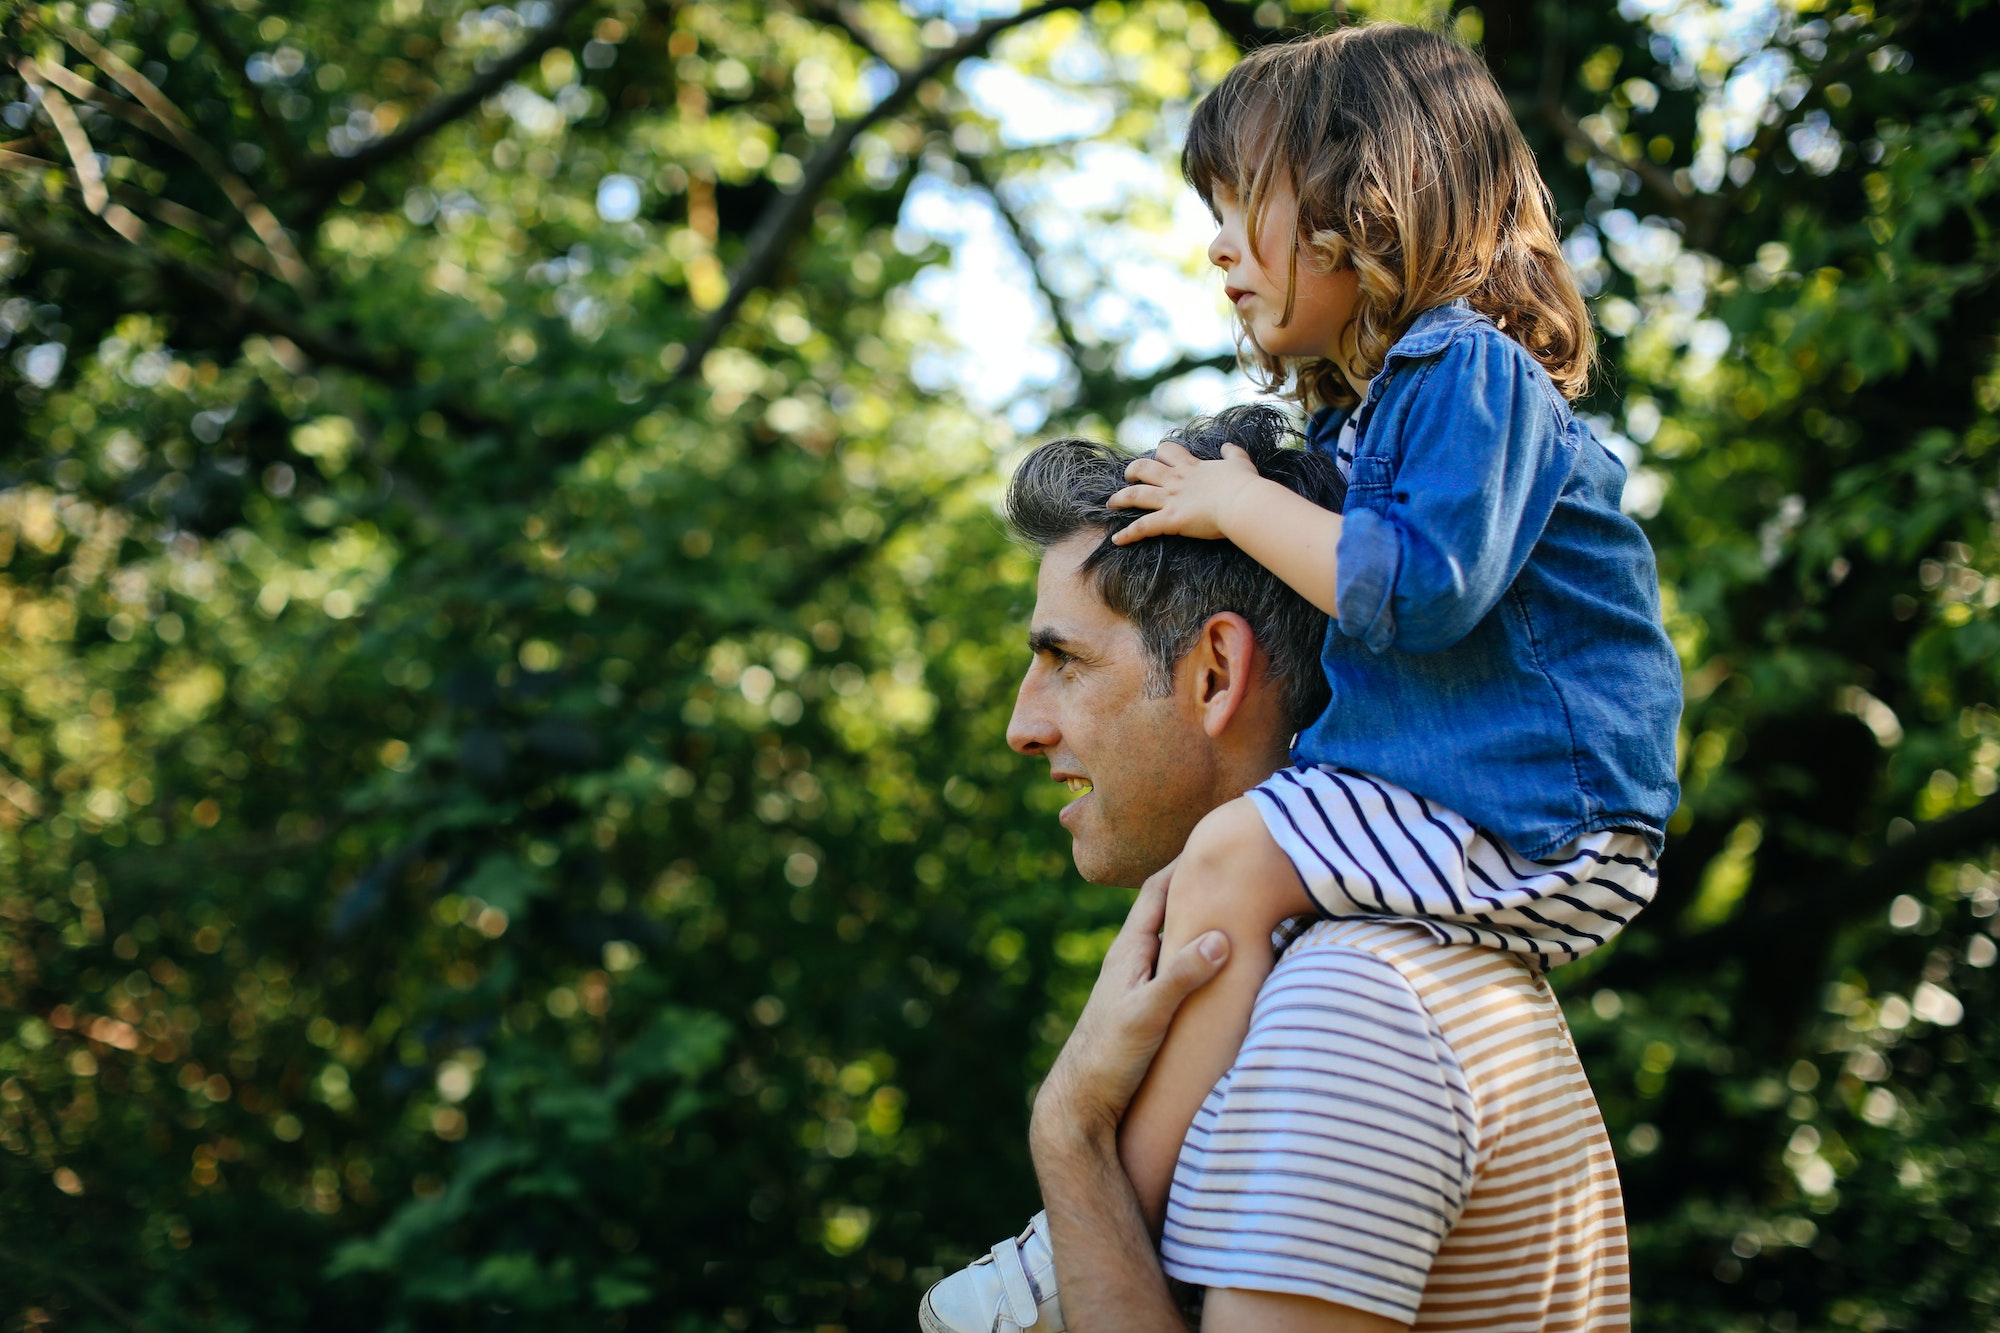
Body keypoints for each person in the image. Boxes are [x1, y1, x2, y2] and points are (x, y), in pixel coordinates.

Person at [927, 21, 1680, 1330]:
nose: (1218, 246)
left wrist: (1075, 1152)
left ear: (1361, 198)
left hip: (1537, 807)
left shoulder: (1356, 1017)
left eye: (1241, 206)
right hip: (1506, 806)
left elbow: (1416, 585)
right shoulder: (1392, 398)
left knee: (1216, 866)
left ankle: (1077, 1245)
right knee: (1213, 875)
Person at [921, 411, 1631, 1331]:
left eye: (1063, 658)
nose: (1022, 727)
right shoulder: (1368, 969)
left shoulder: (1350, 1007)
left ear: (1216, 672)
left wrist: (1070, 1135)